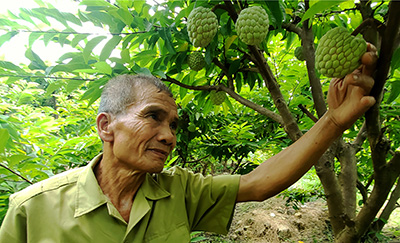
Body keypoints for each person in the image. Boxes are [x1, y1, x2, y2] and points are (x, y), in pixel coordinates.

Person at [0, 43, 377, 242]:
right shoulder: (32, 209)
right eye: (153, 116)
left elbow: (261, 183)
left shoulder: (179, 192)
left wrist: (333, 121)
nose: (169, 135)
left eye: (174, 125)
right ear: (106, 126)